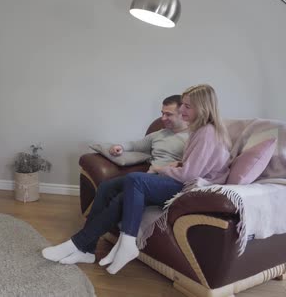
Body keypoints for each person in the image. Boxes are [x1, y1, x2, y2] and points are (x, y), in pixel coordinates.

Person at [42, 95, 189, 265]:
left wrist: (175, 165)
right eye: (162, 113)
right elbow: (136, 144)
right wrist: (121, 147)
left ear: (183, 113)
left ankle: (76, 244)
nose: (163, 118)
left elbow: (193, 166)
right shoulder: (160, 134)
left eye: (168, 114)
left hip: (165, 183)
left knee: (122, 198)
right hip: (146, 179)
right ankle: (87, 250)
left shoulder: (193, 138)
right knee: (105, 188)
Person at [102, 84, 231, 274]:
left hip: (196, 187)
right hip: (190, 179)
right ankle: (123, 243)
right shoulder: (200, 130)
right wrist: (175, 165)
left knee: (135, 180)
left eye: (187, 106)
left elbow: (189, 175)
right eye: (182, 105)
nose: (182, 110)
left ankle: (127, 241)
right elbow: (193, 164)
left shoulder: (207, 133)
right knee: (126, 187)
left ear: (202, 107)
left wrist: (160, 169)